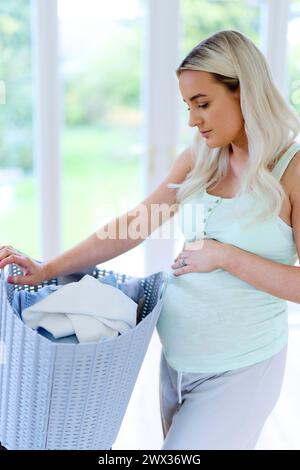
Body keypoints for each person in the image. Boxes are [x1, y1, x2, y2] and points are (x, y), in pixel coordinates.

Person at [1, 29, 300, 450]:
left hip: (240, 368)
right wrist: (49, 268)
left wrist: (225, 256)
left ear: (244, 91)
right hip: (176, 362)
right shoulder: (203, 154)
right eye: (187, 106)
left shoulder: (293, 169)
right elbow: (136, 223)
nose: (193, 120)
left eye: (203, 103)